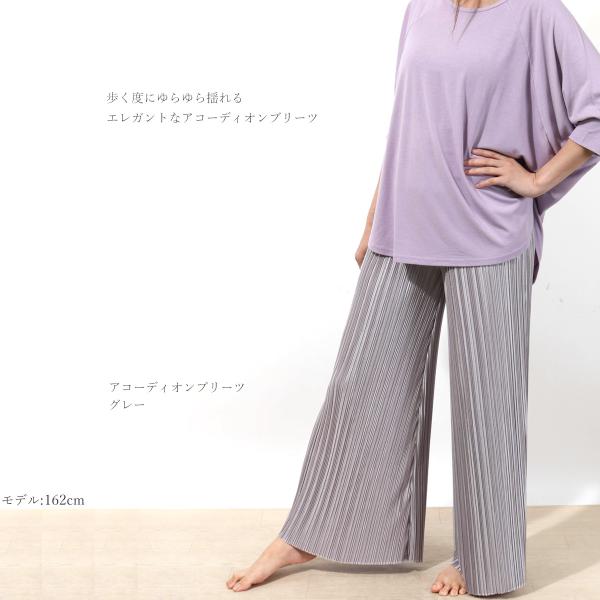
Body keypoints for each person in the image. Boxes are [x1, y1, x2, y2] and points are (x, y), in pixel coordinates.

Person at [226, 0, 600, 596]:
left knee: (489, 406)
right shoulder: (421, 8)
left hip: (488, 232)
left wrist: (534, 181)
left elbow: (596, 109)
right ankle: (311, 532)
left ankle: (484, 560)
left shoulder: (538, 13)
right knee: (364, 384)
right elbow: (407, 119)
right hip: (406, 224)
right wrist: (375, 216)